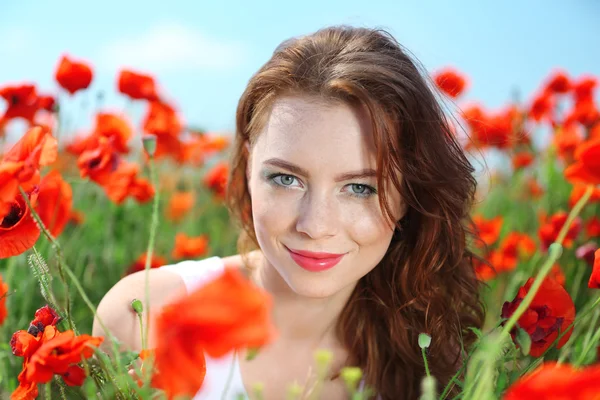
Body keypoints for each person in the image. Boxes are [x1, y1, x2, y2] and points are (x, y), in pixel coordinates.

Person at [92, 25, 485, 400]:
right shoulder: (143, 320)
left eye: (360, 188)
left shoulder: (429, 359)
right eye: (286, 179)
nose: (315, 226)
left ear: (409, 196)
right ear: (248, 166)